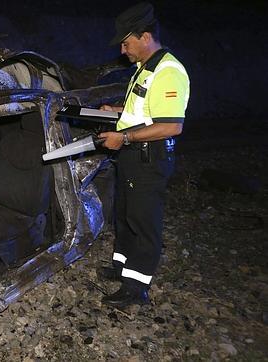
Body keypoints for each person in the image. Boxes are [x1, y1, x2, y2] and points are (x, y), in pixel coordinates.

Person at [97, 2, 190, 307]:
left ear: (145, 36)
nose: (123, 50)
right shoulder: (144, 68)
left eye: (126, 42)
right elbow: (145, 111)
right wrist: (117, 112)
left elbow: (171, 126)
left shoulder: (168, 71)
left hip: (149, 159)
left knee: (143, 221)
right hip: (133, 155)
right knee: (125, 215)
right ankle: (123, 268)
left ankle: (136, 289)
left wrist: (122, 137)